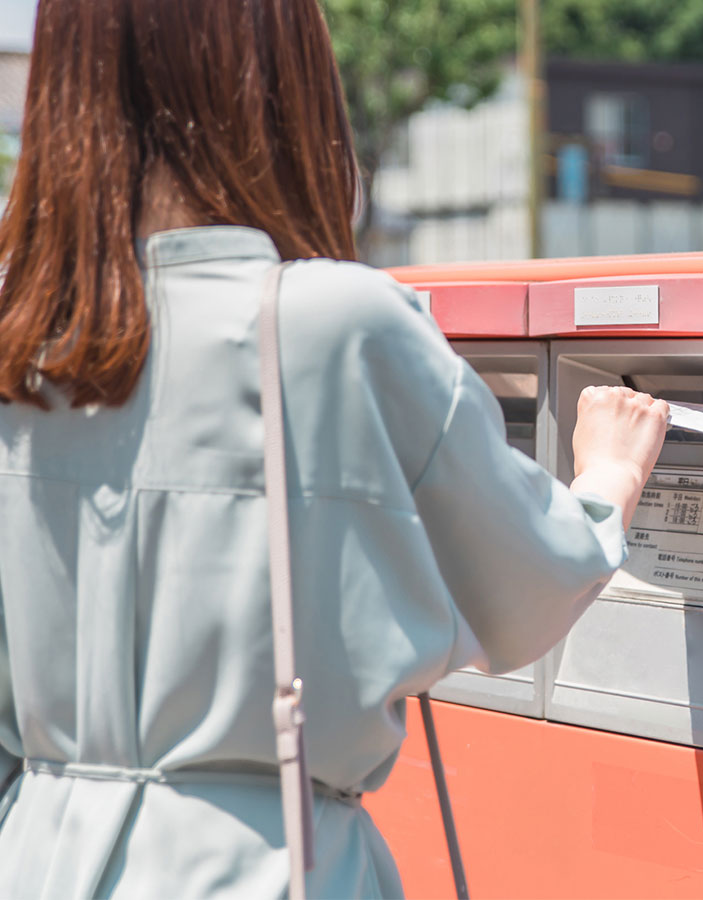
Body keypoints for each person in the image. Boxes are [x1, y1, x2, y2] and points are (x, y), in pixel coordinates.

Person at [0, 1, 668, 896]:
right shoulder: (334, 323)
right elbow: (525, 590)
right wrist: (609, 475)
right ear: (276, 86)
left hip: (38, 854)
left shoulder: (21, 339)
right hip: (260, 860)